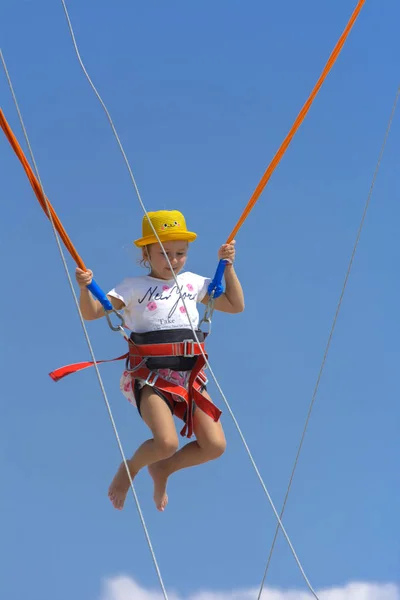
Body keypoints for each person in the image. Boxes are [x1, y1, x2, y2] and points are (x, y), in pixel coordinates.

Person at [75, 210, 244, 511]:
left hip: (188, 377)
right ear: (146, 254)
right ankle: (132, 468)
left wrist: (228, 267)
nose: (173, 260)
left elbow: (235, 305)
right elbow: (91, 313)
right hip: (150, 377)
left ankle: (164, 469)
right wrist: (86, 287)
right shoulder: (132, 287)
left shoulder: (194, 283)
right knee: (166, 442)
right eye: (164, 253)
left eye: (180, 253)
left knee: (215, 445)